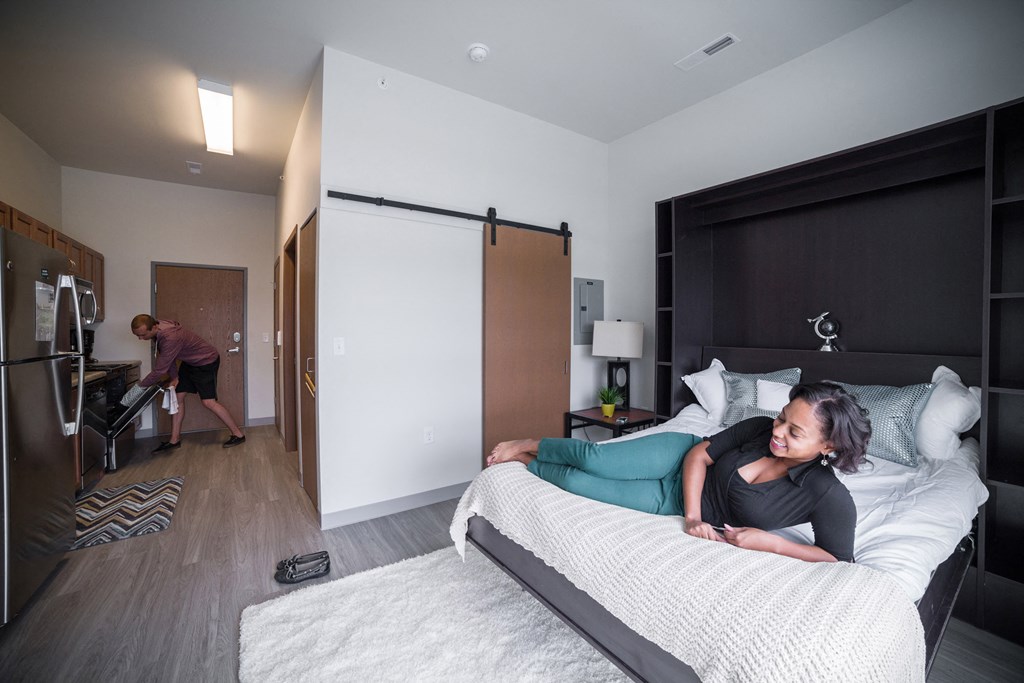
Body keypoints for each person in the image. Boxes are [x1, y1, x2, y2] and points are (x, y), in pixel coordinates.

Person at [487, 382, 871, 563]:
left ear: (828, 447)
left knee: (575, 482)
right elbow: (699, 456)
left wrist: (771, 543)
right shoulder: (758, 427)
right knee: (593, 459)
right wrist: (693, 518)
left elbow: (837, 558)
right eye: (782, 418)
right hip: (677, 460)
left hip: (667, 499)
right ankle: (530, 443)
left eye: (794, 432)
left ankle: (526, 462)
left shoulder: (828, 495)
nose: (778, 432)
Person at [131, 314, 246, 452]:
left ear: (154, 327)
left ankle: (238, 435)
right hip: (190, 362)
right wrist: (174, 377)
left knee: (208, 402)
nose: (140, 338)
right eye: (137, 335)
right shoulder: (158, 327)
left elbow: (160, 370)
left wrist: (138, 388)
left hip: (206, 361)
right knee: (177, 397)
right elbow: (168, 357)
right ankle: (174, 441)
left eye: (143, 335)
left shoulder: (170, 337)